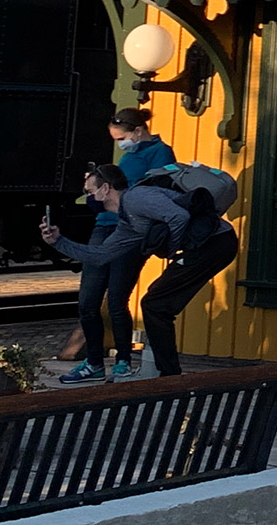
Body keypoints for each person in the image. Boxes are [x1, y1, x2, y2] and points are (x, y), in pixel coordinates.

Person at [41, 161, 237, 378]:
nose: (87, 198)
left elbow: (178, 217)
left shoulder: (136, 198)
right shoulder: (129, 223)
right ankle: (168, 373)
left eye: (89, 191)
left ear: (105, 188)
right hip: (206, 248)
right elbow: (100, 256)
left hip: (216, 244)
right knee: (156, 304)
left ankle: (169, 375)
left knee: (155, 304)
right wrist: (58, 242)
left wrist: (171, 251)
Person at [59, 108, 176, 384]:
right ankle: (94, 362)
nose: (119, 143)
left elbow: (159, 189)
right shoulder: (128, 156)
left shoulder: (160, 153)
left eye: (121, 137)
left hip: (132, 229)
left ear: (137, 131)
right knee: (88, 299)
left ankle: (122, 359)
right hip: (105, 224)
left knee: (116, 299)